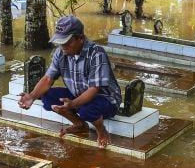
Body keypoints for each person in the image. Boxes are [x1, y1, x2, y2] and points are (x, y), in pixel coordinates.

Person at [17, 16, 122, 148]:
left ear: (81, 38)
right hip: (79, 94)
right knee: (47, 96)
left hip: (105, 99)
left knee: (86, 109)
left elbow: (94, 89)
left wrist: (72, 104)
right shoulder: (60, 53)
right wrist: (31, 96)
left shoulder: (96, 53)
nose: (63, 47)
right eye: (61, 43)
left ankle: (101, 131)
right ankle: (79, 125)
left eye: (67, 42)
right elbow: (48, 79)